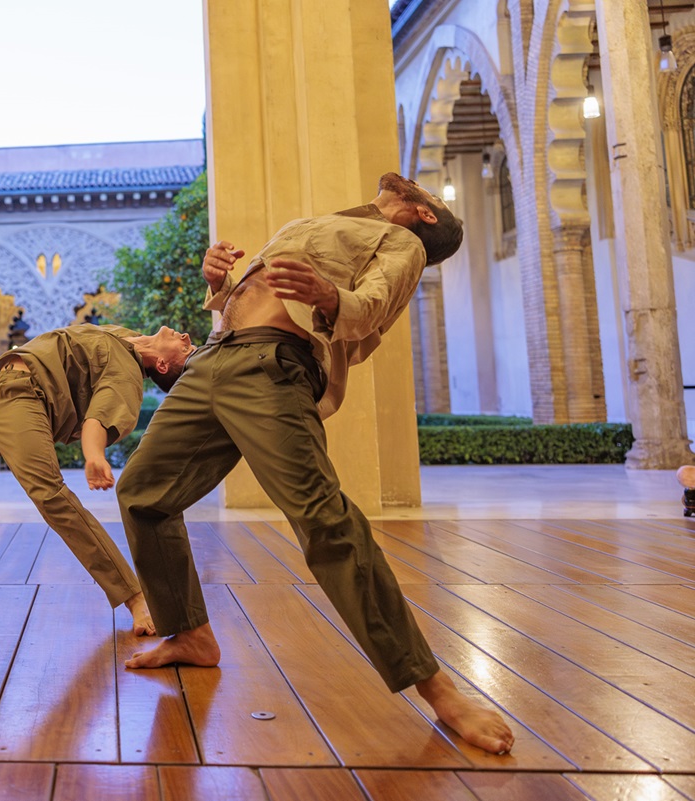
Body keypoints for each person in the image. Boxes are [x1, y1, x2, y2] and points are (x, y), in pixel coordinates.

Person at [116, 172, 515, 755]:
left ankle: (439, 690)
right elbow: (239, 305)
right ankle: (192, 635)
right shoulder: (331, 221)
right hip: (213, 359)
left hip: (269, 367)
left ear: (423, 214)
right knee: (143, 492)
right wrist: (218, 282)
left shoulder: (401, 243)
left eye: (421, 190)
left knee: (326, 522)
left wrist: (329, 296)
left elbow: (371, 308)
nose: (409, 182)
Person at [0, 322, 196, 635]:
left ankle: (134, 596)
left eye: (187, 348)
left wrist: (94, 456)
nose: (186, 336)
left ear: (161, 364)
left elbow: (97, 420)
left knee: (51, 496)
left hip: (25, 399)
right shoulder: (123, 335)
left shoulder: (127, 374)